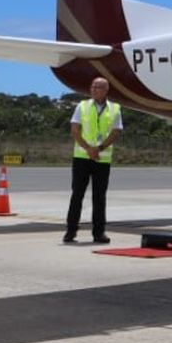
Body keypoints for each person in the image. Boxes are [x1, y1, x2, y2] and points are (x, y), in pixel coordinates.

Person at [64, 75, 122, 245]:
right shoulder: (82, 106)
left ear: (106, 90)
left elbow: (116, 132)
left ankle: (99, 233)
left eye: (98, 87)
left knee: (99, 197)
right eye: (93, 86)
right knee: (77, 195)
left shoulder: (115, 108)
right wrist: (89, 149)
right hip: (82, 157)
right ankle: (70, 231)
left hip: (102, 159)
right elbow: (75, 130)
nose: (94, 89)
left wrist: (100, 148)